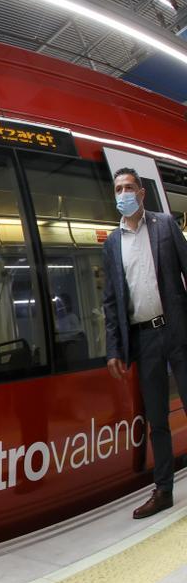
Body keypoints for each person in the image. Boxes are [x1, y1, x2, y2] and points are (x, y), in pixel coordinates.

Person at [103, 167, 187, 520]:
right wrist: (114, 348)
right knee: (157, 419)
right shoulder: (111, 243)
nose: (123, 193)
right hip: (144, 337)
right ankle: (164, 490)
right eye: (118, 188)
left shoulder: (166, 225)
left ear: (142, 193)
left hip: (178, 330)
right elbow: (111, 299)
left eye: (129, 187)